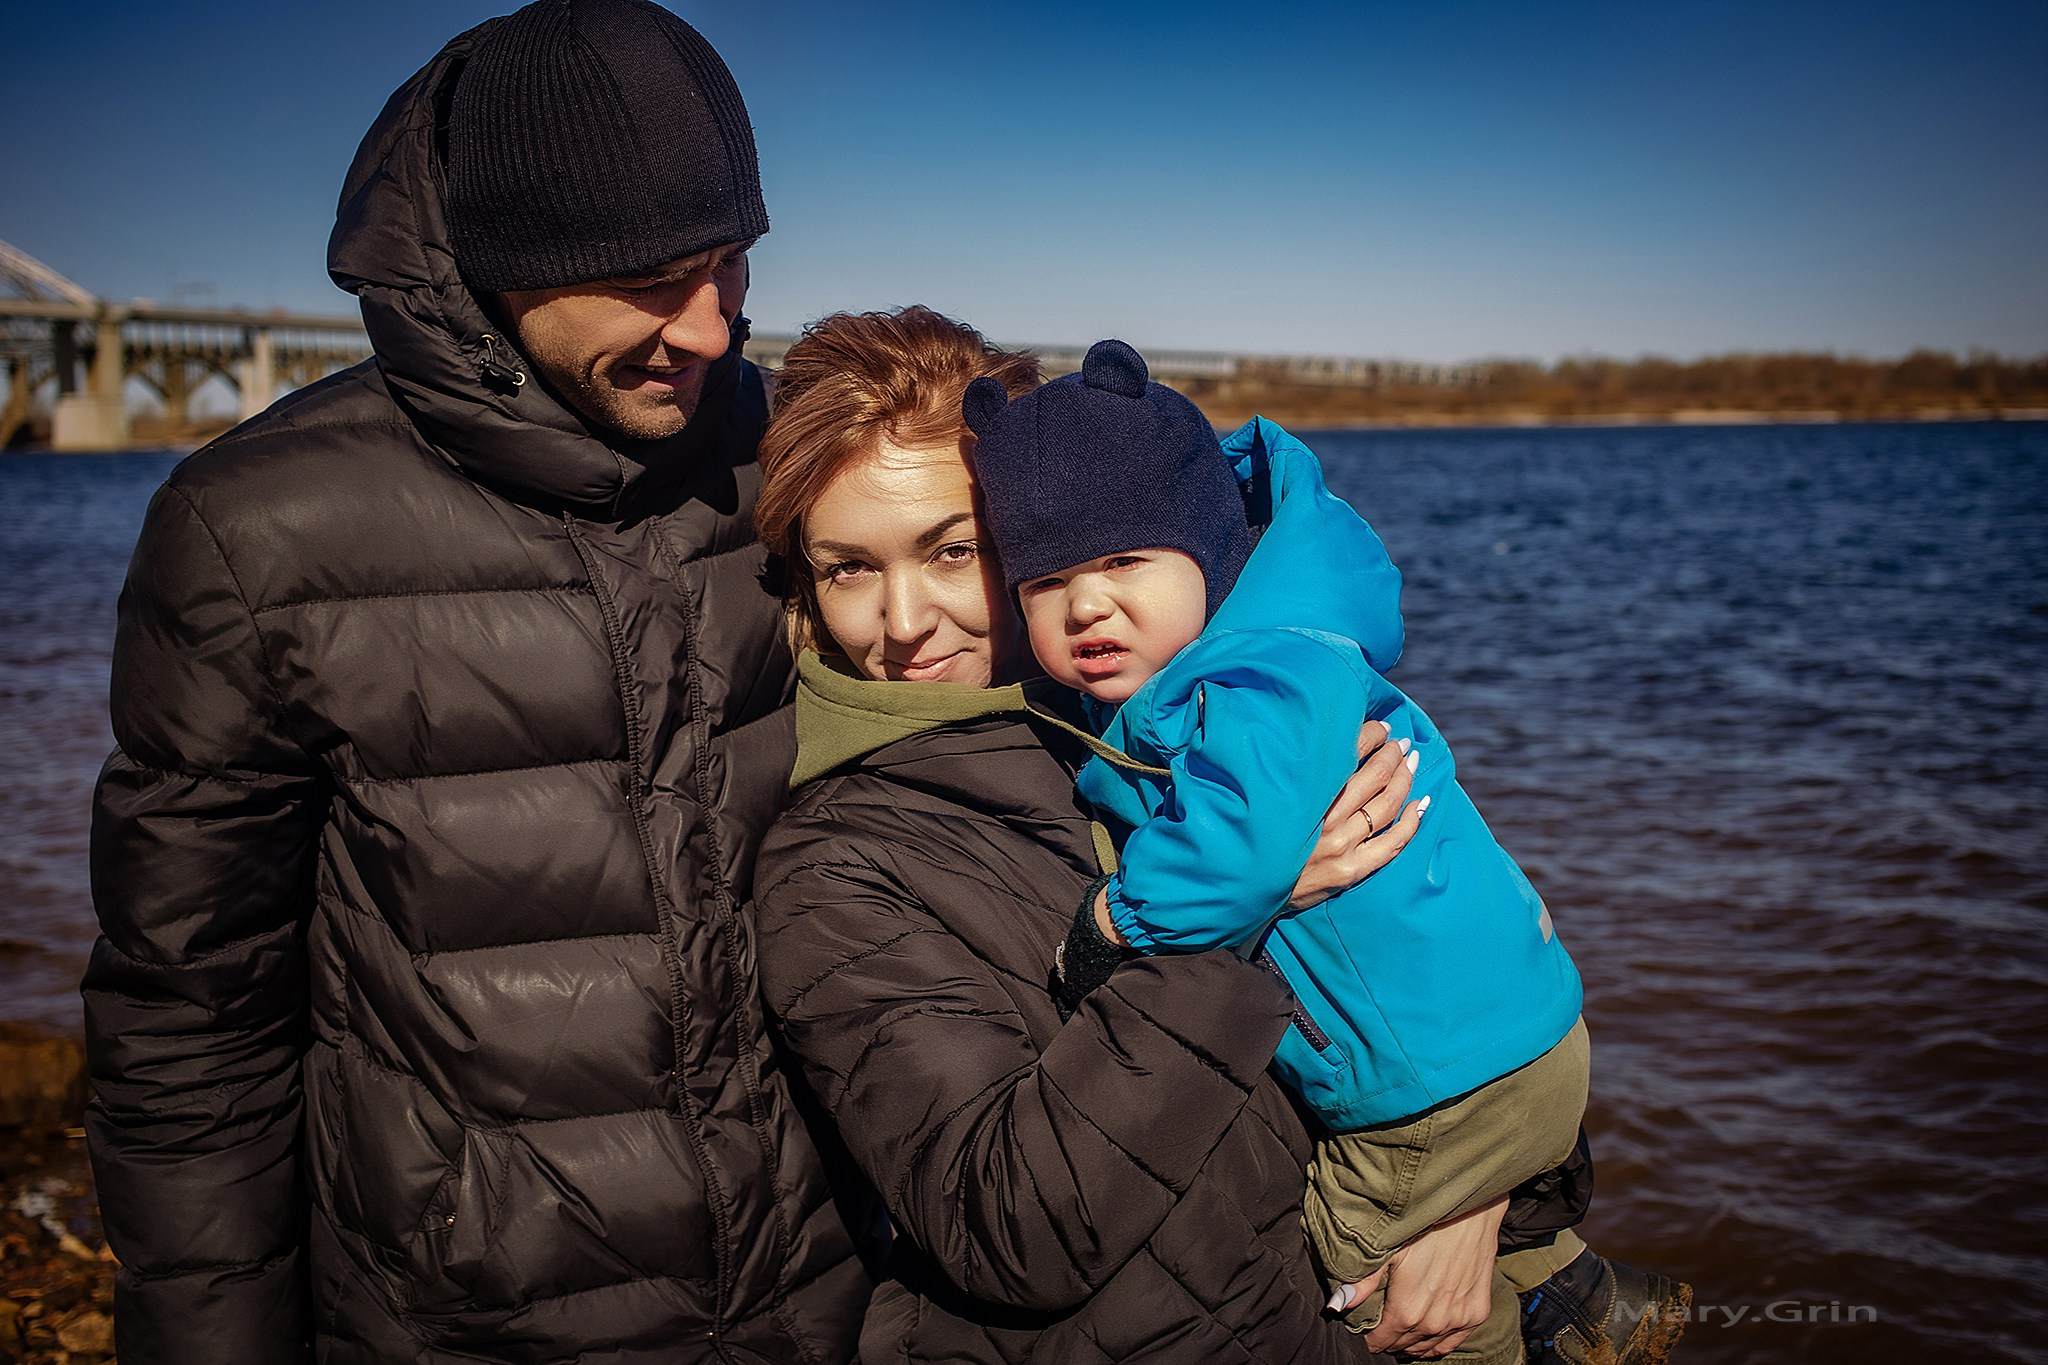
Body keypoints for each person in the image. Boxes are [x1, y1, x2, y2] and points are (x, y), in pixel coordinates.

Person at [81, 2, 868, 1360]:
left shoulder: (793, 452)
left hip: (837, 1296)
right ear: (504, 264)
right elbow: (190, 1021)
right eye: (650, 276)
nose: (712, 326)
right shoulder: (256, 533)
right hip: (479, 1323)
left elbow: (1064, 656)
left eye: (733, 263)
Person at [748, 306, 1598, 1363]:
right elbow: (1004, 1226)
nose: (905, 619)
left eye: (954, 549)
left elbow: (1445, 1005)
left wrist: (1486, 1198)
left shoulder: (1155, 730)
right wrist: (1243, 912)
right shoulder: (835, 865)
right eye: (846, 569)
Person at [962, 339, 1693, 1364]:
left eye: (1125, 561)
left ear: (1210, 552)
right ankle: (1573, 1295)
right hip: (1492, 1035)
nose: (1086, 605)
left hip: (1440, 1073)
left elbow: (1246, 853)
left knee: (1350, 1276)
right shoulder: (1253, 649)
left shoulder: (1255, 680)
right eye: (1046, 580)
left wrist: (1110, 924)